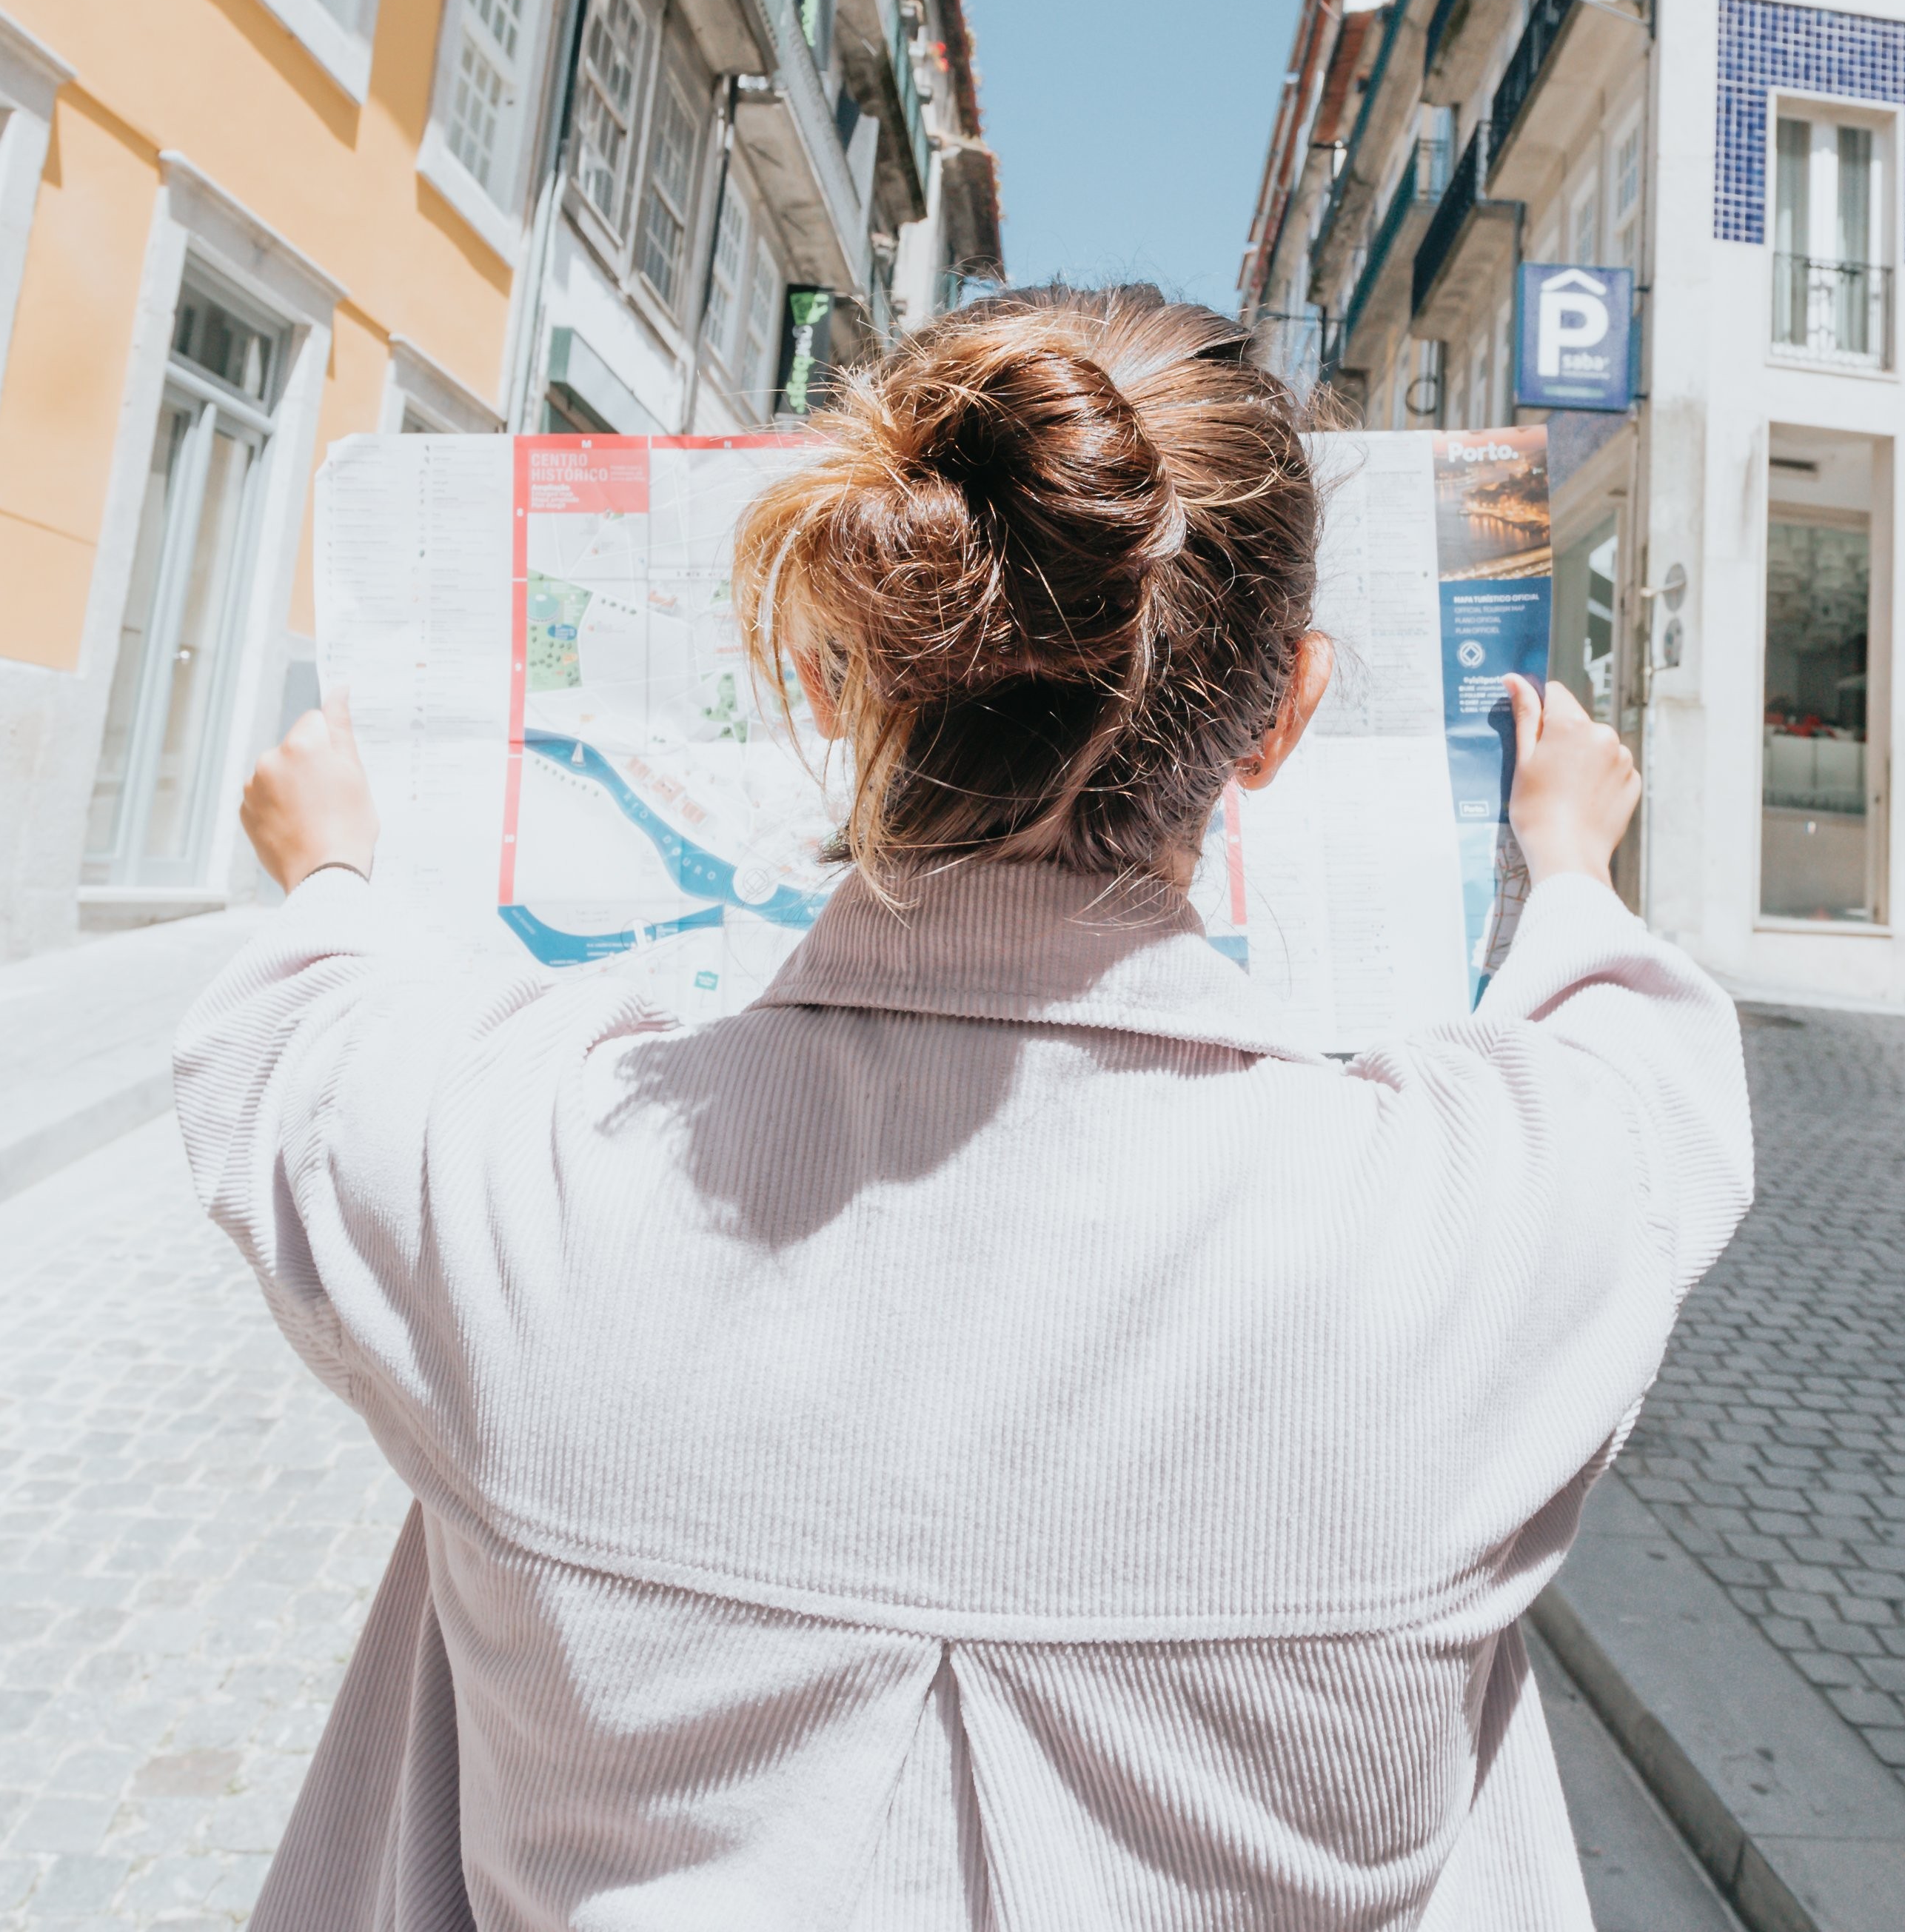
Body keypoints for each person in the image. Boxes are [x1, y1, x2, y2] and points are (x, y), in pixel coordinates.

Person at [178, 285, 1755, 1928]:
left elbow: (300, 1051)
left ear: (838, 676)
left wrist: (330, 874)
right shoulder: (1466, 1226)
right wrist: (1574, 871)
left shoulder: (533, 1165)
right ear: (1282, 716)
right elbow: (1645, 1081)